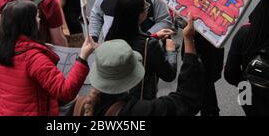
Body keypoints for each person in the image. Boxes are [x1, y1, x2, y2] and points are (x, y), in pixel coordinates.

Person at [70, 15, 204, 116]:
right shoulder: (139, 111)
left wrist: (154, 36)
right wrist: (188, 40)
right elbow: (186, 101)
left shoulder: (80, 106)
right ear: (132, 78)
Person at [0, 1, 97, 116]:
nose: (39, 20)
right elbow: (65, 91)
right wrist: (83, 58)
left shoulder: (0, 46)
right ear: (28, 23)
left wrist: (41, 48)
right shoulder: (34, 58)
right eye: (37, 16)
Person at [105, 0, 177, 100]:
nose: (148, 6)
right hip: (141, 101)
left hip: (114, 100)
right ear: (139, 15)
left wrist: (154, 35)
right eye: (145, 6)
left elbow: (134, 38)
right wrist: (170, 51)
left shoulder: (110, 38)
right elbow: (169, 74)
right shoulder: (150, 45)